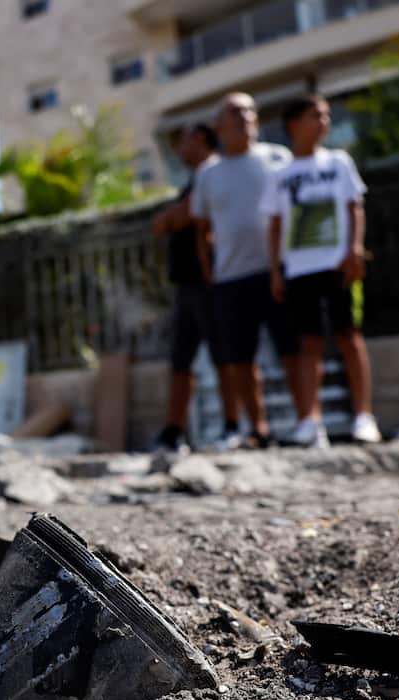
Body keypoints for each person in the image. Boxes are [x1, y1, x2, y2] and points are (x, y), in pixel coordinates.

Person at [264, 94, 381, 447]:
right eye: (316, 115)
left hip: (337, 265)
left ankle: (364, 416)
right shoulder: (280, 175)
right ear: (294, 124)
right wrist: (275, 270)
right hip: (299, 270)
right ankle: (310, 421)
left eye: (327, 116)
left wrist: (355, 249)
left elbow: (354, 206)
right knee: (308, 344)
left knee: (349, 336)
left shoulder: (339, 162)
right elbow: (274, 225)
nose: (324, 122)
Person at [190, 92, 303, 448]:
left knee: (292, 350)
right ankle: (258, 428)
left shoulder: (278, 158)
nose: (244, 117)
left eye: (249, 111)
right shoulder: (209, 174)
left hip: (278, 270)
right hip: (230, 278)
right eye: (234, 112)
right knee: (240, 358)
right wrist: (210, 271)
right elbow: (201, 229)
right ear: (219, 125)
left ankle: (308, 422)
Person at [151, 123, 229, 452]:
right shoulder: (193, 182)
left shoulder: (214, 175)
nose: (178, 150)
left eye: (182, 141)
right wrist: (171, 218)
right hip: (188, 285)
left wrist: (173, 218)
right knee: (182, 361)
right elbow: (162, 224)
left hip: (209, 281)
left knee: (225, 357)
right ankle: (173, 431)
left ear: (199, 139)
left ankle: (234, 425)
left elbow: (186, 220)